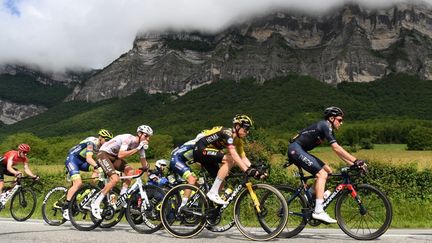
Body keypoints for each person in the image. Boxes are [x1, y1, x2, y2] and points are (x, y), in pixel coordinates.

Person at [287, 106, 366, 224]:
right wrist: (355, 160)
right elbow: (336, 148)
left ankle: (308, 196)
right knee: (322, 174)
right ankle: (318, 211)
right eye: (339, 120)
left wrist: (354, 165)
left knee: (327, 171)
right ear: (331, 118)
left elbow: (338, 151)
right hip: (296, 150)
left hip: (300, 150)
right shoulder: (325, 125)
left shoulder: (328, 128)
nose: (341, 123)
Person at [193, 114, 266, 205]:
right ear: (238, 126)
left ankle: (210, 208)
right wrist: (247, 170)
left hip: (208, 154)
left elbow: (243, 158)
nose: (247, 132)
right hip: (200, 149)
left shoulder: (238, 141)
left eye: (248, 130)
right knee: (230, 159)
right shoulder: (227, 133)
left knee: (221, 181)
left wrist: (254, 170)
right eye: (246, 128)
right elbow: (234, 155)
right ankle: (213, 192)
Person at [92, 125, 153, 219]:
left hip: (114, 157)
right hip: (104, 154)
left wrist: (148, 171)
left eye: (149, 137)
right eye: (146, 136)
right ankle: (96, 203)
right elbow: (121, 155)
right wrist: (137, 148)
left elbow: (143, 160)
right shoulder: (128, 138)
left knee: (130, 171)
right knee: (115, 179)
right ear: (139, 134)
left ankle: (122, 196)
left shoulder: (140, 146)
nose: (148, 139)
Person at [62, 129, 114, 220]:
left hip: (81, 162)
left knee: (97, 172)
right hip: (72, 159)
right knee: (78, 183)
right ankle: (66, 208)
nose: (107, 143)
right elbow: (89, 159)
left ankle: (91, 190)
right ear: (100, 138)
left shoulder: (102, 147)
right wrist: (98, 166)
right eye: (106, 140)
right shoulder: (91, 142)